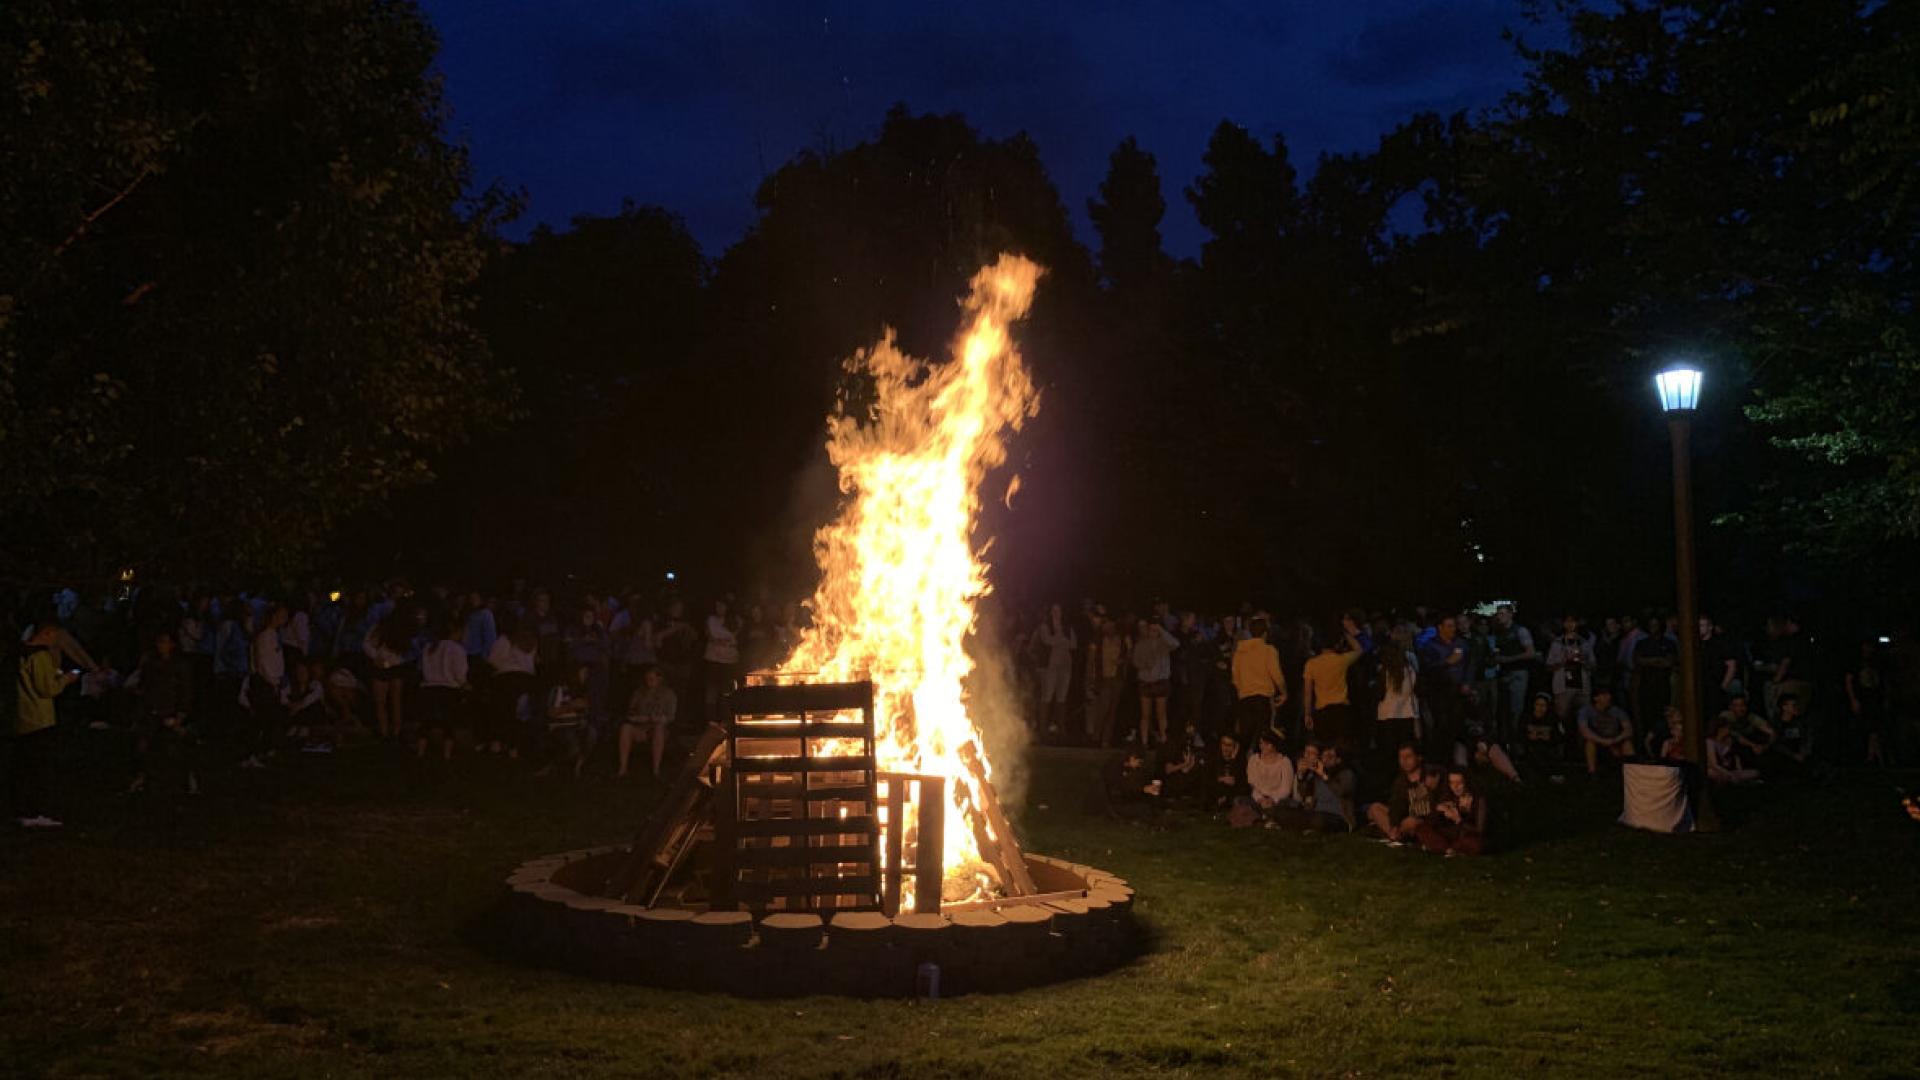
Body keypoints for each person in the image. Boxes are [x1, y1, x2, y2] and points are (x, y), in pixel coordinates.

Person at [12, 622, 79, 827]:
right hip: (39, 719)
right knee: (40, 769)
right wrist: (67, 679)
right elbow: (46, 689)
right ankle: (37, 812)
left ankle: (24, 810)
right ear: (47, 633)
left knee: (25, 768)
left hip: (22, 717)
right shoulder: (39, 655)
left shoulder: (19, 653)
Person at [127, 630, 196, 795]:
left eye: (165, 642)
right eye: (159, 641)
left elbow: (186, 691)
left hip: (170, 712)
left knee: (175, 749)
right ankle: (143, 777)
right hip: (152, 711)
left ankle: (185, 781)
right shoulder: (151, 664)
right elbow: (144, 688)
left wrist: (180, 714)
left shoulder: (180, 666)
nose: (161, 646)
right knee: (143, 746)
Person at [1301, 617, 1365, 752]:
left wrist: (1307, 713)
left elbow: (1307, 692)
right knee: (1341, 749)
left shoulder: (1311, 664)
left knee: (1324, 748)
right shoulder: (1341, 660)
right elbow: (1359, 649)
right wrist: (1345, 634)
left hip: (1322, 711)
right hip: (1341, 710)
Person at [241, 604, 290, 769]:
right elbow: (262, 662)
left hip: (271, 682)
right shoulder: (265, 636)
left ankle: (263, 750)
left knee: (269, 719)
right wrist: (271, 680)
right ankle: (252, 753)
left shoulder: (273, 635)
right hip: (264, 683)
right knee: (262, 720)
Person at [1230, 616, 1288, 747]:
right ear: (1265, 633)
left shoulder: (1240, 651)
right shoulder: (1268, 650)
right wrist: (1284, 693)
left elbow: (1235, 677)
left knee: (1245, 741)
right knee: (1262, 741)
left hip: (1244, 700)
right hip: (1263, 700)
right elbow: (1277, 675)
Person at [1366, 744, 1439, 844]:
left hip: (1423, 818)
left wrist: (1428, 788)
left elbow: (1429, 806)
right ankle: (1394, 834)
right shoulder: (1400, 781)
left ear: (1419, 757)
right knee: (1375, 808)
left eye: (1408, 757)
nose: (1404, 761)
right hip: (1404, 818)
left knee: (1412, 822)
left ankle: (1395, 836)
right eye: (1401, 757)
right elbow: (1395, 805)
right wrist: (1394, 824)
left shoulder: (1431, 774)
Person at [417, 618, 468, 761]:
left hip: (429, 688)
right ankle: (447, 754)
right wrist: (464, 685)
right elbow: (459, 674)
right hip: (448, 690)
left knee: (426, 723)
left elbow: (422, 668)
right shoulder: (456, 649)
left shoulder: (429, 647)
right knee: (449, 723)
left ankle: (420, 752)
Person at [617, 665, 677, 779]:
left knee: (658, 729)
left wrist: (658, 719)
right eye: (647, 679)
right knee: (625, 728)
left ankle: (656, 770)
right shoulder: (639, 692)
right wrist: (638, 718)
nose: (649, 682)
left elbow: (671, 716)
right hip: (641, 727)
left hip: (659, 728)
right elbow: (631, 712)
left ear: (660, 679)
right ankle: (623, 768)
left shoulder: (669, 694)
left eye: (652, 679)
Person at [363, 607, 414, 741]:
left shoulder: (398, 629)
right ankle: (388, 733)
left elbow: (366, 644)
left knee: (389, 701)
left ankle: (389, 732)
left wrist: (379, 657)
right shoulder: (381, 628)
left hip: (392, 667)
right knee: (388, 701)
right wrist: (377, 657)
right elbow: (366, 644)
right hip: (387, 667)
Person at [1373, 624, 1420, 765]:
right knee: (1406, 752)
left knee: (1390, 753)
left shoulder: (1384, 671)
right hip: (1407, 714)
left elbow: (1379, 694)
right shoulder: (1409, 669)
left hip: (1387, 714)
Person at [485, 628, 537, 756]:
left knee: (502, 712)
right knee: (519, 714)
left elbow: (493, 660)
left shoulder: (504, 640)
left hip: (505, 679)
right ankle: (515, 747)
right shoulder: (531, 640)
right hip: (526, 679)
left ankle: (498, 744)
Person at [1415, 768, 1490, 856]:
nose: (1455, 786)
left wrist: (1458, 819)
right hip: (1452, 835)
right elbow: (1433, 823)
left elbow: (1479, 830)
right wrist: (1438, 809)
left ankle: (1442, 848)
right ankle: (1448, 849)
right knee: (1422, 829)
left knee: (1476, 844)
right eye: (1451, 782)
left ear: (1467, 782)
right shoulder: (1450, 795)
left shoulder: (1478, 800)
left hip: (1469, 836)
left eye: (1459, 783)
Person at [1489, 604, 1536, 740]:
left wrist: (1508, 659)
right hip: (1503, 674)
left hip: (1518, 673)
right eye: (1498, 614)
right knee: (1504, 709)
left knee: (1516, 709)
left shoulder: (1520, 631)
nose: (1499, 617)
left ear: (1510, 615)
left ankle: (1516, 739)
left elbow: (1531, 653)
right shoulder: (1499, 632)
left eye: (1502, 614)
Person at [1132, 617, 1179, 747]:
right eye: (1151, 629)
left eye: (1155, 630)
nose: (1153, 632)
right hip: (1145, 683)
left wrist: (1162, 631)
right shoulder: (1141, 643)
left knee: (1161, 714)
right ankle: (1144, 741)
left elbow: (1176, 644)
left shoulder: (1164, 643)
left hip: (1161, 682)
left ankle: (1164, 740)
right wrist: (1144, 664)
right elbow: (1135, 660)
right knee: (1145, 714)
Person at [1084, 614, 1127, 747]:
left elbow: (1126, 656)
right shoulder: (1097, 640)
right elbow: (1090, 660)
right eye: (1107, 625)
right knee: (1103, 709)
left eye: (1111, 625)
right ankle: (1096, 737)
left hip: (1117, 678)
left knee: (1112, 711)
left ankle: (1105, 740)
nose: (1109, 627)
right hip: (1104, 679)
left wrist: (1122, 662)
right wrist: (1089, 677)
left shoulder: (1121, 639)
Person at [1035, 604, 1077, 738]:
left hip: (1065, 665)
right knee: (1047, 696)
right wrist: (1062, 640)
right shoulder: (1045, 626)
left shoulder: (1067, 628)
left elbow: (1074, 644)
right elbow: (1048, 641)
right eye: (1054, 610)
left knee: (1061, 698)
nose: (1056, 613)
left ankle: (1061, 730)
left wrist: (1061, 640)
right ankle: (1043, 730)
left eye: (1059, 610)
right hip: (1051, 666)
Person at [1846, 639, 1889, 766]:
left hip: (1874, 699)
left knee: (1874, 727)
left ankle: (1873, 756)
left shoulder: (1876, 663)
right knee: (1865, 727)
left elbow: (1882, 682)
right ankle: (1870, 755)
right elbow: (1848, 680)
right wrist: (1853, 699)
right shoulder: (1856, 663)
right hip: (1862, 698)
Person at [1575, 686, 1636, 775]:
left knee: (1627, 744)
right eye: (1604, 695)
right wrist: (1602, 740)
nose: (1608, 697)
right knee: (1590, 743)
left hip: (1614, 739)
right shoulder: (1586, 711)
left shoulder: (1617, 711)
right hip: (1597, 740)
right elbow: (1584, 730)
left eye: (1608, 694)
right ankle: (1592, 772)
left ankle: (1631, 773)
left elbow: (1628, 729)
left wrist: (1616, 739)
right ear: (1596, 698)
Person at [1631, 617, 1678, 732]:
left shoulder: (1669, 643)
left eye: (1656, 625)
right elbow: (1638, 661)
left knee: (1663, 713)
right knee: (1646, 715)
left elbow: (1669, 662)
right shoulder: (1642, 643)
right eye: (1651, 625)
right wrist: (1657, 660)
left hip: (1663, 684)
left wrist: (1648, 661)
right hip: (1645, 684)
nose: (1653, 628)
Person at [1545, 615, 1594, 721]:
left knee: (1583, 719)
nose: (1570, 624)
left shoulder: (1585, 643)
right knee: (1562, 718)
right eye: (1568, 621)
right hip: (1562, 688)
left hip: (1582, 688)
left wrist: (1582, 660)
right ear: (1563, 624)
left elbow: (1593, 666)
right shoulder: (1557, 643)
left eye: (1573, 621)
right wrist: (1563, 661)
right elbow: (1548, 667)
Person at [701, 599, 739, 723]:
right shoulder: (711, 620)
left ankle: (726, 721)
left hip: (729, 661)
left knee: (726, 692)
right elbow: (714, 636)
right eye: (717, 606)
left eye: (722, 605)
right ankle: (711, 722)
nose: (719, 608)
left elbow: (735, 638)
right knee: (712, 691)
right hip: (714, 660)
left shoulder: (735, 621)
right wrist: (724, 640)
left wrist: (725, 640)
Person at [1245, 730, 1297, 815]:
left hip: (1277, 800)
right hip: (1258, 799)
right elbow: (1253, 784)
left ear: (1274, 745)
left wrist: (1272, 799)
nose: (1263, 747)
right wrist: (1261, 799)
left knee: (1289, 805)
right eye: (1261, 743)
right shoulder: (1254, 760)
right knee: (1240, 801)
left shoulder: (1285, 762)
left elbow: (1286, 789)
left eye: (1267, 744)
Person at [1706, 717, 1761, 784]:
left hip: (1729, 770)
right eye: (1727, 728)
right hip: (1718, 770)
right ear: (1720, 729)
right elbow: (1714, 764)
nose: (1729, 730)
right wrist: (1728, 774)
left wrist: (1739, 771)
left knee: (1755, 772)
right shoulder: (1710, 742)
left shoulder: (1728, 741)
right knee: (1712, 773)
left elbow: (1735, 757)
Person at [1207, 731, 1249, 811]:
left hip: (1232, 792)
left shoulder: (1240, 760)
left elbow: (1238, 781)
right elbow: (1209, 777)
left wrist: (1233, 760)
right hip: (1216, 790)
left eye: (1229, 745)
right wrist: (1222, 779)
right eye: (1223, 744)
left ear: (1236, 747)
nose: (1225, 748)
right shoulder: (1215, 757)